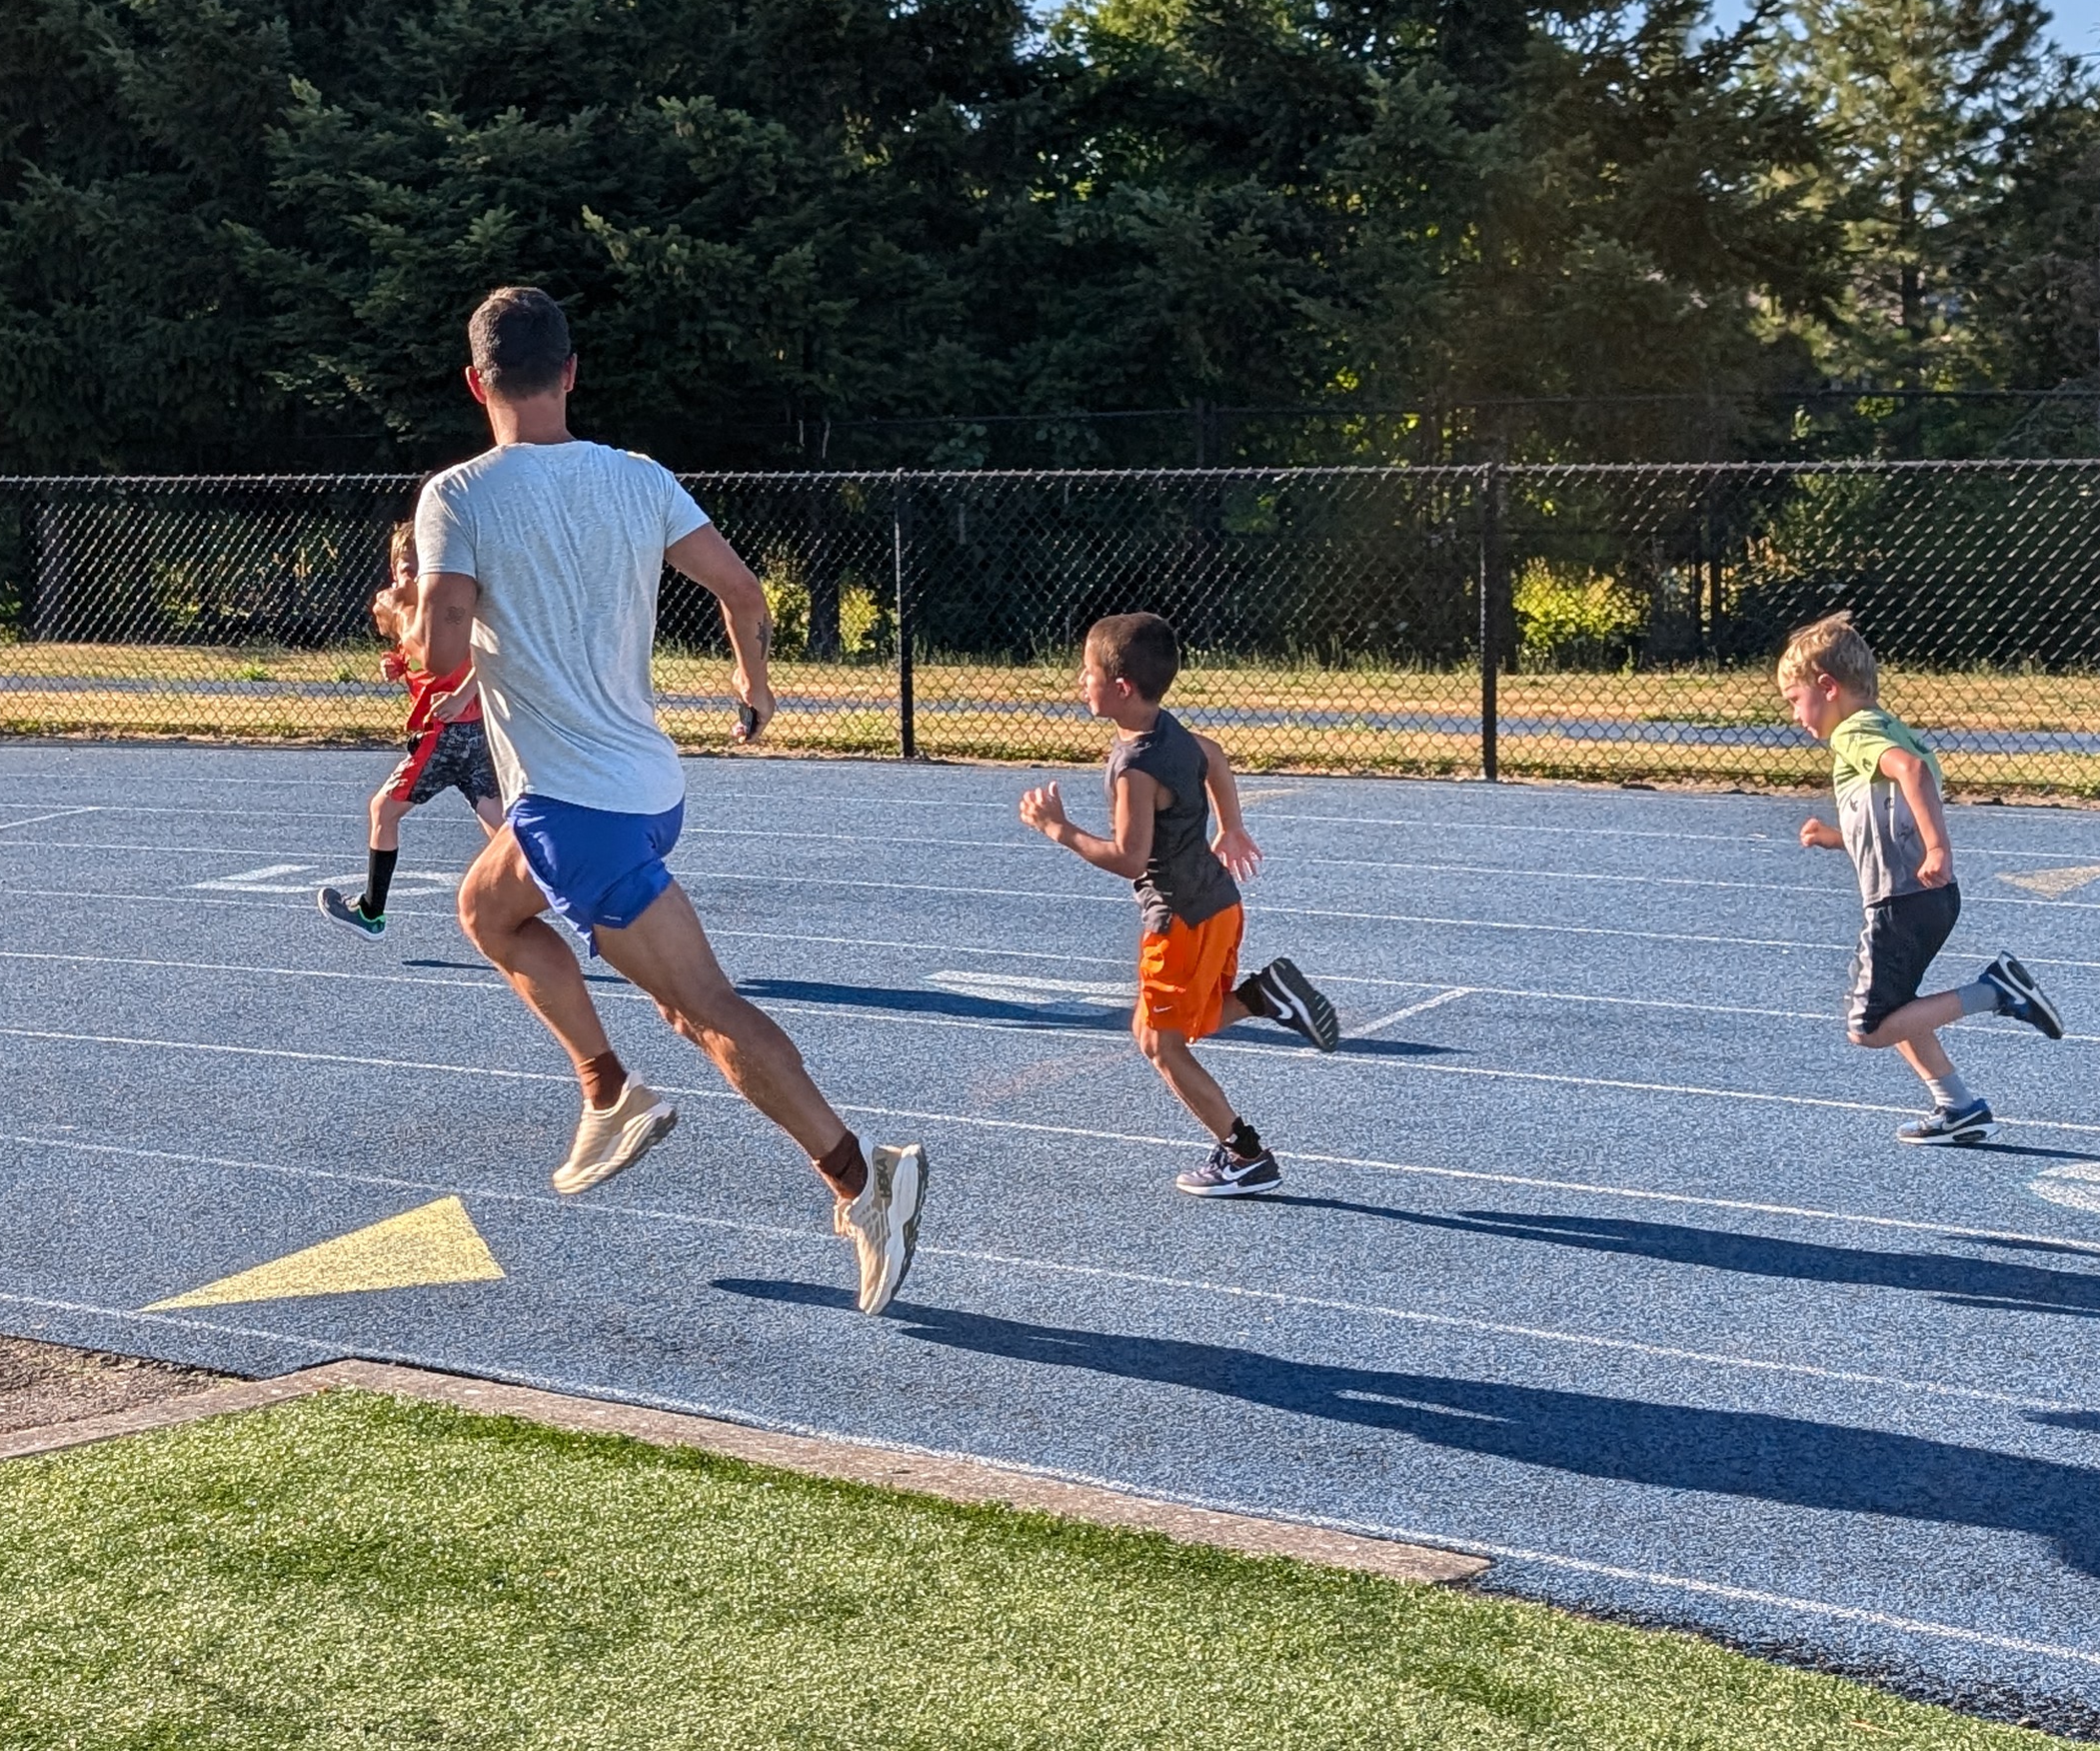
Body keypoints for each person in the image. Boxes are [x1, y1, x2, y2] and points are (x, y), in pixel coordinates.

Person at [409, 285, 930, 1313]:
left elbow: (442, 655)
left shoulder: (458, 496)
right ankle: (607, 1089)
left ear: (476, 384)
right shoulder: (638, 478)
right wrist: (754, 682)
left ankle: (865, 1180)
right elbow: (743, 592)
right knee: (486, 907)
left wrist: (417, 622)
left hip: (573, 810)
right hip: (646, 787)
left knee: (705, 1010)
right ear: (570, 372)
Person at [1016, 613, 1341, 1195]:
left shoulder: (1133, 766)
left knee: (1164, 1047)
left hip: (1180, 920)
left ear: (1120, 688)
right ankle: (1265, 997)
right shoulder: (1170, 732)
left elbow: (1129, 859)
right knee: (1155, 1034)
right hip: (1218, 904)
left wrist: (1057, 829)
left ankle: (1245, 1156)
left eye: (1085, 673)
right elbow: (1213, 755)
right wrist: (1231, 825)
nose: (1078, 683)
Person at [1779, 612, 2065, 1144]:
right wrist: (1836, 836)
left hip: (1902, 901)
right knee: (1898, 1008)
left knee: (1869, 1030)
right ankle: (1957, 1106)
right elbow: (1890, 822)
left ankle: (1995, 992)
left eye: (1794, 699)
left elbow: (1908, 771)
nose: (1795, 715)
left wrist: (1938, 847)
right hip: (1924, 897)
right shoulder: (1884, 725)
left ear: (1827, 686)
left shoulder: (1855, 734)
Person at [319, 522, 501, 936]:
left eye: (426, 568)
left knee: (383, 811)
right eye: (406, 567)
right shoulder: (406, 614)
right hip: (466, 734)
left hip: (445, 734)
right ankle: (567, 890)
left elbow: (487, 654)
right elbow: (420, 659)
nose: (416, 576)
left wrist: (459, 697)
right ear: (393, 570)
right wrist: (397, 665)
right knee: (502, 827)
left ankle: (370, 912)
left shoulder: (452, 613)